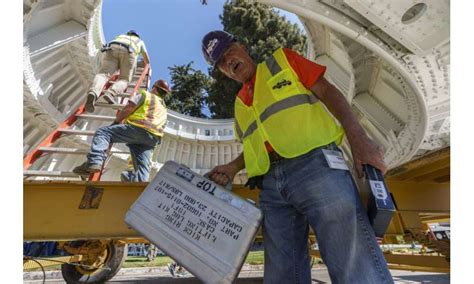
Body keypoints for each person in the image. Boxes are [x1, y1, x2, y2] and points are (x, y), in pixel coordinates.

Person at [201, 31, 394, 283]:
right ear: (223, 73)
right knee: (282, 271)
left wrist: (358, 139)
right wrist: (232, 166)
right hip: (272, 187)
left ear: (242, 45)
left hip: (316, 166)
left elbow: (329, 93)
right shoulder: (239, 104)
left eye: (229, 51)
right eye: (221, 63)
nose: (228, 61)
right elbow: (255, 147)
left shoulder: (283, 60)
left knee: (350, 257)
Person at [73, 79, 170, 182]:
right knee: (142, 168)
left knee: (103, 133)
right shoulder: (164, 109)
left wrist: (117, 121)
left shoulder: (146, 95)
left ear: (154, 89)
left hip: (139, 128)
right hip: (153, 139)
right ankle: (136, 186)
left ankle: (94, 161)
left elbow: (129, 107)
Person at [85, 30, 150, 113]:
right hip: (129, 52)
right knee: (124, 79)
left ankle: (93, 92)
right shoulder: (139, 41)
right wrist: (145, 64)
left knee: (103, 75)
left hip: (111, 49)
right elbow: (146, 60)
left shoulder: (121, 36)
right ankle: (110, 93)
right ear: (137, 36)